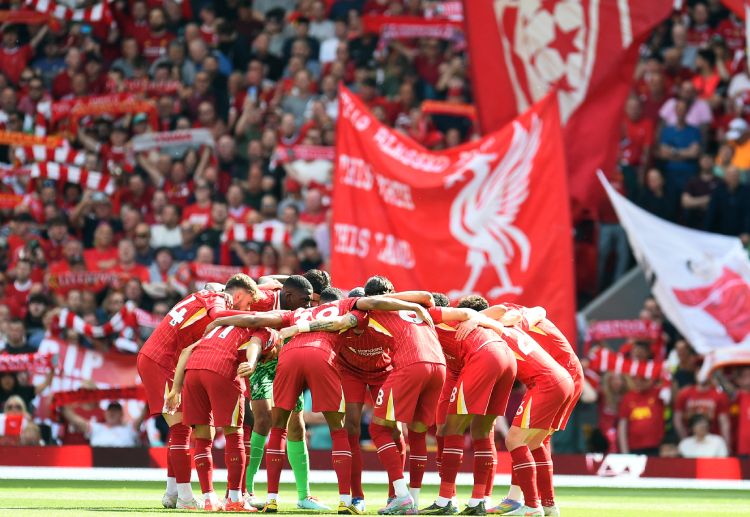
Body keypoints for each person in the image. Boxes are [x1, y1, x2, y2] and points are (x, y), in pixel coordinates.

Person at [208, 291, 434, 514]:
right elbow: (374, 303)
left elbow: (255, 319)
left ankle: (271, 499)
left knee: (278, 427)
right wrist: (414, 306)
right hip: (321, 355)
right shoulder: (349, 306)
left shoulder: (297, 312)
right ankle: (346, 500)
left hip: (289, 356)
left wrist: (220, 319)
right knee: (339, 430)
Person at [136, 274, 261, 510]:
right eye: (248, 303)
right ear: (237, 295)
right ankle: (185, 498)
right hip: (162, 361)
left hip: (158, 358)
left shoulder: (203, 296)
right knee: (181, 428)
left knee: (179, 428)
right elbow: (218, 314)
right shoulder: (217, 299)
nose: (247, 310)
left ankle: (172, 493)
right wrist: (258, 318)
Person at [166, 321, 280, 511]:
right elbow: (255, 343)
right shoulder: (267, 331)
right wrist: (252, 363)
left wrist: (176, 389)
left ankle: (209, 498)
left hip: (192, 372)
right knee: (234, 435)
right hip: (222, 370)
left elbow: (186, 351)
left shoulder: (219, 328)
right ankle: (234, 499)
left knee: (202, 437)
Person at [421, 296, 517, 515]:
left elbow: (500, 310)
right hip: (506, 358)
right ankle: (478, 501)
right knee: (481, 432)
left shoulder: (432, 316)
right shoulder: (453, 327)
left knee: (452, 430)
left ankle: (445, 501)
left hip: (485, 356)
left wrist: (475, 318)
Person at [243, 275, 328, 511]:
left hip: (287, 364)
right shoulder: (266, 297)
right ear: (290, 295)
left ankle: (304, 496)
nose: (310, 306)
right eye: (307, 300)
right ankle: (246, 491)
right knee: (263, 420)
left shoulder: (306, 309)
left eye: (313, 301)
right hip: (260, 362)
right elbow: (262, 280)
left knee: (297, 426)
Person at [61, 401, 144, 447]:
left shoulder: (130, 428)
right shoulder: (96, 427)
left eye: (115, 411)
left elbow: (142, 416)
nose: (112, 413)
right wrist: (62, 407)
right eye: (110, 410)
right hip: (99, 466)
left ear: (121, 414)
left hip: (125, 466)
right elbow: (77, 421)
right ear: (105, 413)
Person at [617, 377, 665, 455]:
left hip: (656, 445)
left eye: (643, 379)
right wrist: (625, 452)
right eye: (636, 379)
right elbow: (622, 426)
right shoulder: (628, 397)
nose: (639, 382)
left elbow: (671, 397)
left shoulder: (659, 393)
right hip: (634, 446)